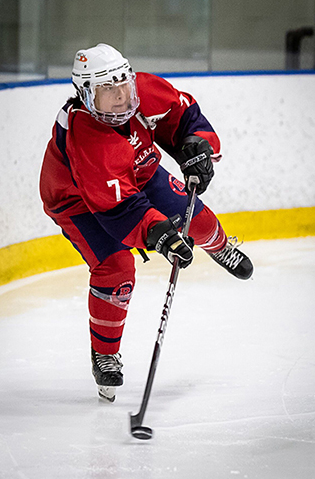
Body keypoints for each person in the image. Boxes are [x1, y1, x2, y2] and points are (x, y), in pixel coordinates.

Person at [40, 43, 253, 402]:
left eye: (123, 83)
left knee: (195, 216)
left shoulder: (141, 90)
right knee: (116, 267)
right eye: (108, 89)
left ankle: (221, 247)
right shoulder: (87, 136)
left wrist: (196, 145)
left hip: (138, 173)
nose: (122, 96)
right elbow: (118, 207)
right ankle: (105, 354)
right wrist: (160, 235)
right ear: (87, 95)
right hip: (77, 198)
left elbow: (183, 114)